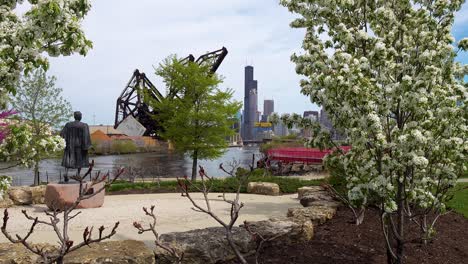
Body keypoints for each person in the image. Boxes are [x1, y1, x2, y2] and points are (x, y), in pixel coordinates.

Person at [60, 111, 91, 182]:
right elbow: (86, 137)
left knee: (68, 160)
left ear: (74, 117)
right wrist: (87, 146)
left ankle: (66, 173)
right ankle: (78, 174)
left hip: (69, 146)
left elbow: (62, 134)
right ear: (80, 117)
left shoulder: (68, 125)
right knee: (80, 161)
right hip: (79, 147)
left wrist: (65, 142)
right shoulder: (84, 125)